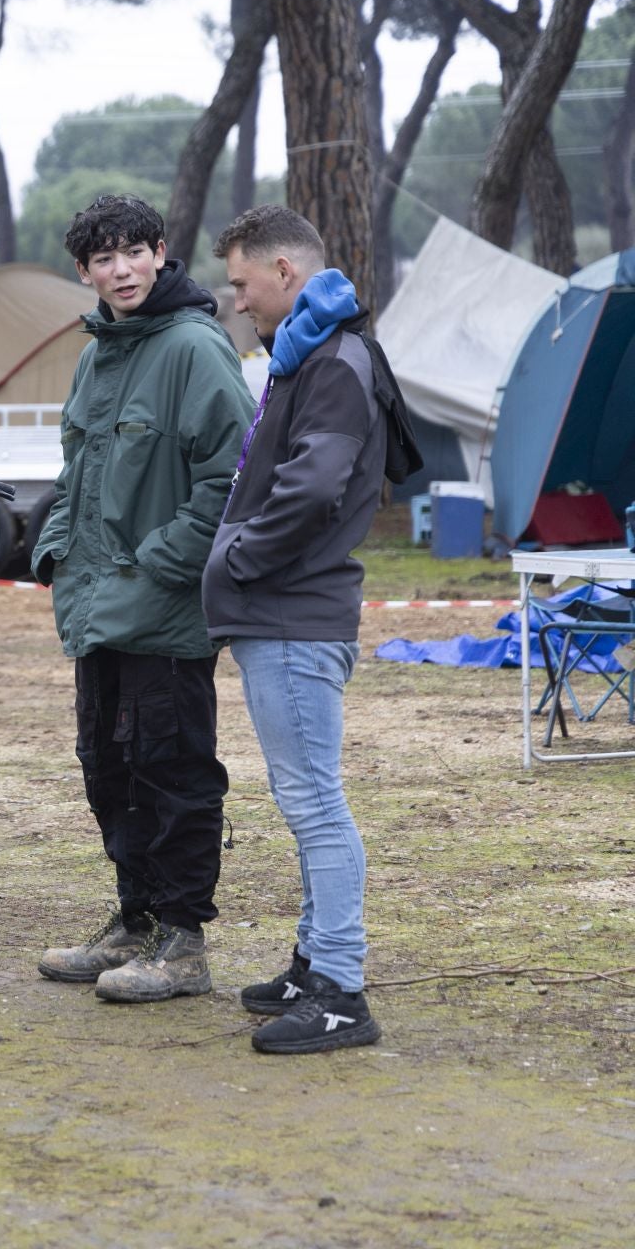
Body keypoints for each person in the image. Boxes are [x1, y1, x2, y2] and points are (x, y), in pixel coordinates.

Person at [207, 205, 422, 1054]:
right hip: (284, 612)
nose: (236, 300)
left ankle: (340, 992)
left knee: (315, 805)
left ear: (285, 273)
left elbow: (314, 487)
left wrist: (236, 561)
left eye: (241, 282)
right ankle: (311, 964)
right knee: (305, 801)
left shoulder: (333, 360)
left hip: (294, 613)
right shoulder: (311, 353)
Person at [30, 194, 255, 1004]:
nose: (119, 270)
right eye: (102, 259)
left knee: (174, 771)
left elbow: (231, 484)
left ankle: (183, 942)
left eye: (133, 252)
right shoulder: (97, 354)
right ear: (85, 271)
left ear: (160, 253)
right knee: (107, 767)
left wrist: (158, 564)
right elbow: (76, 472)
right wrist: (55, 547)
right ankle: (133, 920)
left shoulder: (195, 349)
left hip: (163, 611)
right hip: (96, 610)